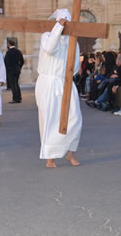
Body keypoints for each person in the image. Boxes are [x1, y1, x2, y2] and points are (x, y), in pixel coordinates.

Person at [35, 9, 81, 168]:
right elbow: (49, 48)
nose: (65, 25)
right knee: (49, 118)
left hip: (65, 81)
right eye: (63, 21)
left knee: (74, 118)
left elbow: (76, 64)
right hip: (48, 82)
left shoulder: (73, 40)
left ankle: (69, 151)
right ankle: (50, 158)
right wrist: (58, 29)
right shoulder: (47, 36)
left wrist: (68, 75)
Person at [4, 38, 24, 103]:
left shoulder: (8, 52)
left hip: (11, 71)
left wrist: (8, 70)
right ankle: (19, 97)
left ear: (9, 44)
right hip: (17, 70)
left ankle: (15, 98)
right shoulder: (18, 51)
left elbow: (6, 62)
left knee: (13, 85)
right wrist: (19, 67)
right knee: (16, 84)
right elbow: (22, 61)